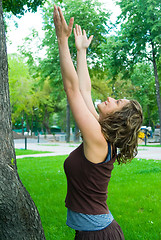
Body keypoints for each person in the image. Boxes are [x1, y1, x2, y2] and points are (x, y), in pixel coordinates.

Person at [53, 5, 143, 240]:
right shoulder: (102, 135)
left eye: (117, 101)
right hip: (95, 231)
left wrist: (61, 40)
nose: (111, 98)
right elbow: (83, 90)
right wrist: (81, 51)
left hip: (98, 235)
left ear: (117, 117)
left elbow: (72, 90)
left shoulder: (99, 140)